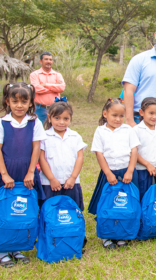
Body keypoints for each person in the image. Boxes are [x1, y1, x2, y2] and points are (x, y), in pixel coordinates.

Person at [0, 82, 46, 268]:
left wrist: (30, 171)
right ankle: (3, 249)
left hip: (26, 172)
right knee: (5, 211)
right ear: (7, 101)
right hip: (6, 172)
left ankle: (17, 247)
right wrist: (4, 174)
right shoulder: (2, 122)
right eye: (15, 101)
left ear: (30, 103)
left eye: (24, 101)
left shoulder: (34, 122)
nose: (19, 105)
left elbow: (36, 147)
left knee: (23, 209)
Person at [88, 98, 140, 249]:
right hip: (109, 173)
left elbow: (134, 151)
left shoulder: (128, 130)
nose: (118, 119)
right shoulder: (100, 131)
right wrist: (108, 173)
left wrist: (130, 171)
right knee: (107, 204)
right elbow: (99, 154)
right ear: (105, 114)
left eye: (121, 116)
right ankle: (107, 235)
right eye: (114, 115)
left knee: (125, 204)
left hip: (127, 173)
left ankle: (122, 234)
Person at [39, 98, 87, 212]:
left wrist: (73, 178)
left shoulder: (75, 137)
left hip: (70, 183)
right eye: (57, 118)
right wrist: (51, 179)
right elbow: (41, 159)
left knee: (70, 211)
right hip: (49, 183)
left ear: (70, 119)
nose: (61, 122)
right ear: (49, 118)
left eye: (66, 119)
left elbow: (80, 158)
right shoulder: (44, 137)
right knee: (50, 212)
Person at [133, 97, 156, 201]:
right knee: (143, 196)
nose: (154, 117)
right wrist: (147, 164)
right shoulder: (136, 130)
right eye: (151, 113)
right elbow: (133, 152)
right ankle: (142, 217)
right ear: (141, 112)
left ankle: (153, 217)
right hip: (142, 171)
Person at [29, 52, 66, 124]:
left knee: (55, 130)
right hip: (39, 109)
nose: (48, 61)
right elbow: (36, 89)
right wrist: (55, 86)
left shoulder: (57, 75)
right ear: (40, 61)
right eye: (46, 59)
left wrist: (45, 85)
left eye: (50, 59)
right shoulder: (34, 74)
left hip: (55, 108)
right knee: (38, 130)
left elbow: (62, 88)